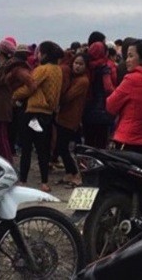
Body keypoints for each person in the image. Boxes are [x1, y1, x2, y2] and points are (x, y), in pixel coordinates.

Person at [12, 41, 64, 192]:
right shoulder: (58, 70)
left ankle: (23, 181)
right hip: (48, 114)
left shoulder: (42, 69)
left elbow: (29, 88)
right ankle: (44, 182)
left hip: (33, 112)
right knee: (43, 149)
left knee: (26, 147)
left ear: (45, 54)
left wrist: (14, 95)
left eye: (40, 52)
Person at [0, 39, 34, 164]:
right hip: (0, 104)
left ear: (1, 52)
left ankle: (7, 163)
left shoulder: (7, 68)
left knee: (1, 137)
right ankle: (2, 162)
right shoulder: (7, 66)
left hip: (1, 104)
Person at [55, 53, 90, 187]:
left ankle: (75, 173)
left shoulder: (82, 81)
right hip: (65, 116)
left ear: (85, 66)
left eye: (81, 64)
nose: (77, 66)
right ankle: (69, 173)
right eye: (76, 63)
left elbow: (67, 97)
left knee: (63, 147)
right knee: (62, 146)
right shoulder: (74, 78)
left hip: (71, 118)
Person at [82, 41, 115, 149]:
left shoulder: (86, 66)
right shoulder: (104, 68)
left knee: (88, 142)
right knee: (100, 145)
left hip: (86, 109)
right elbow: (108, 88)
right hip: (101, 112)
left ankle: (85, 164)